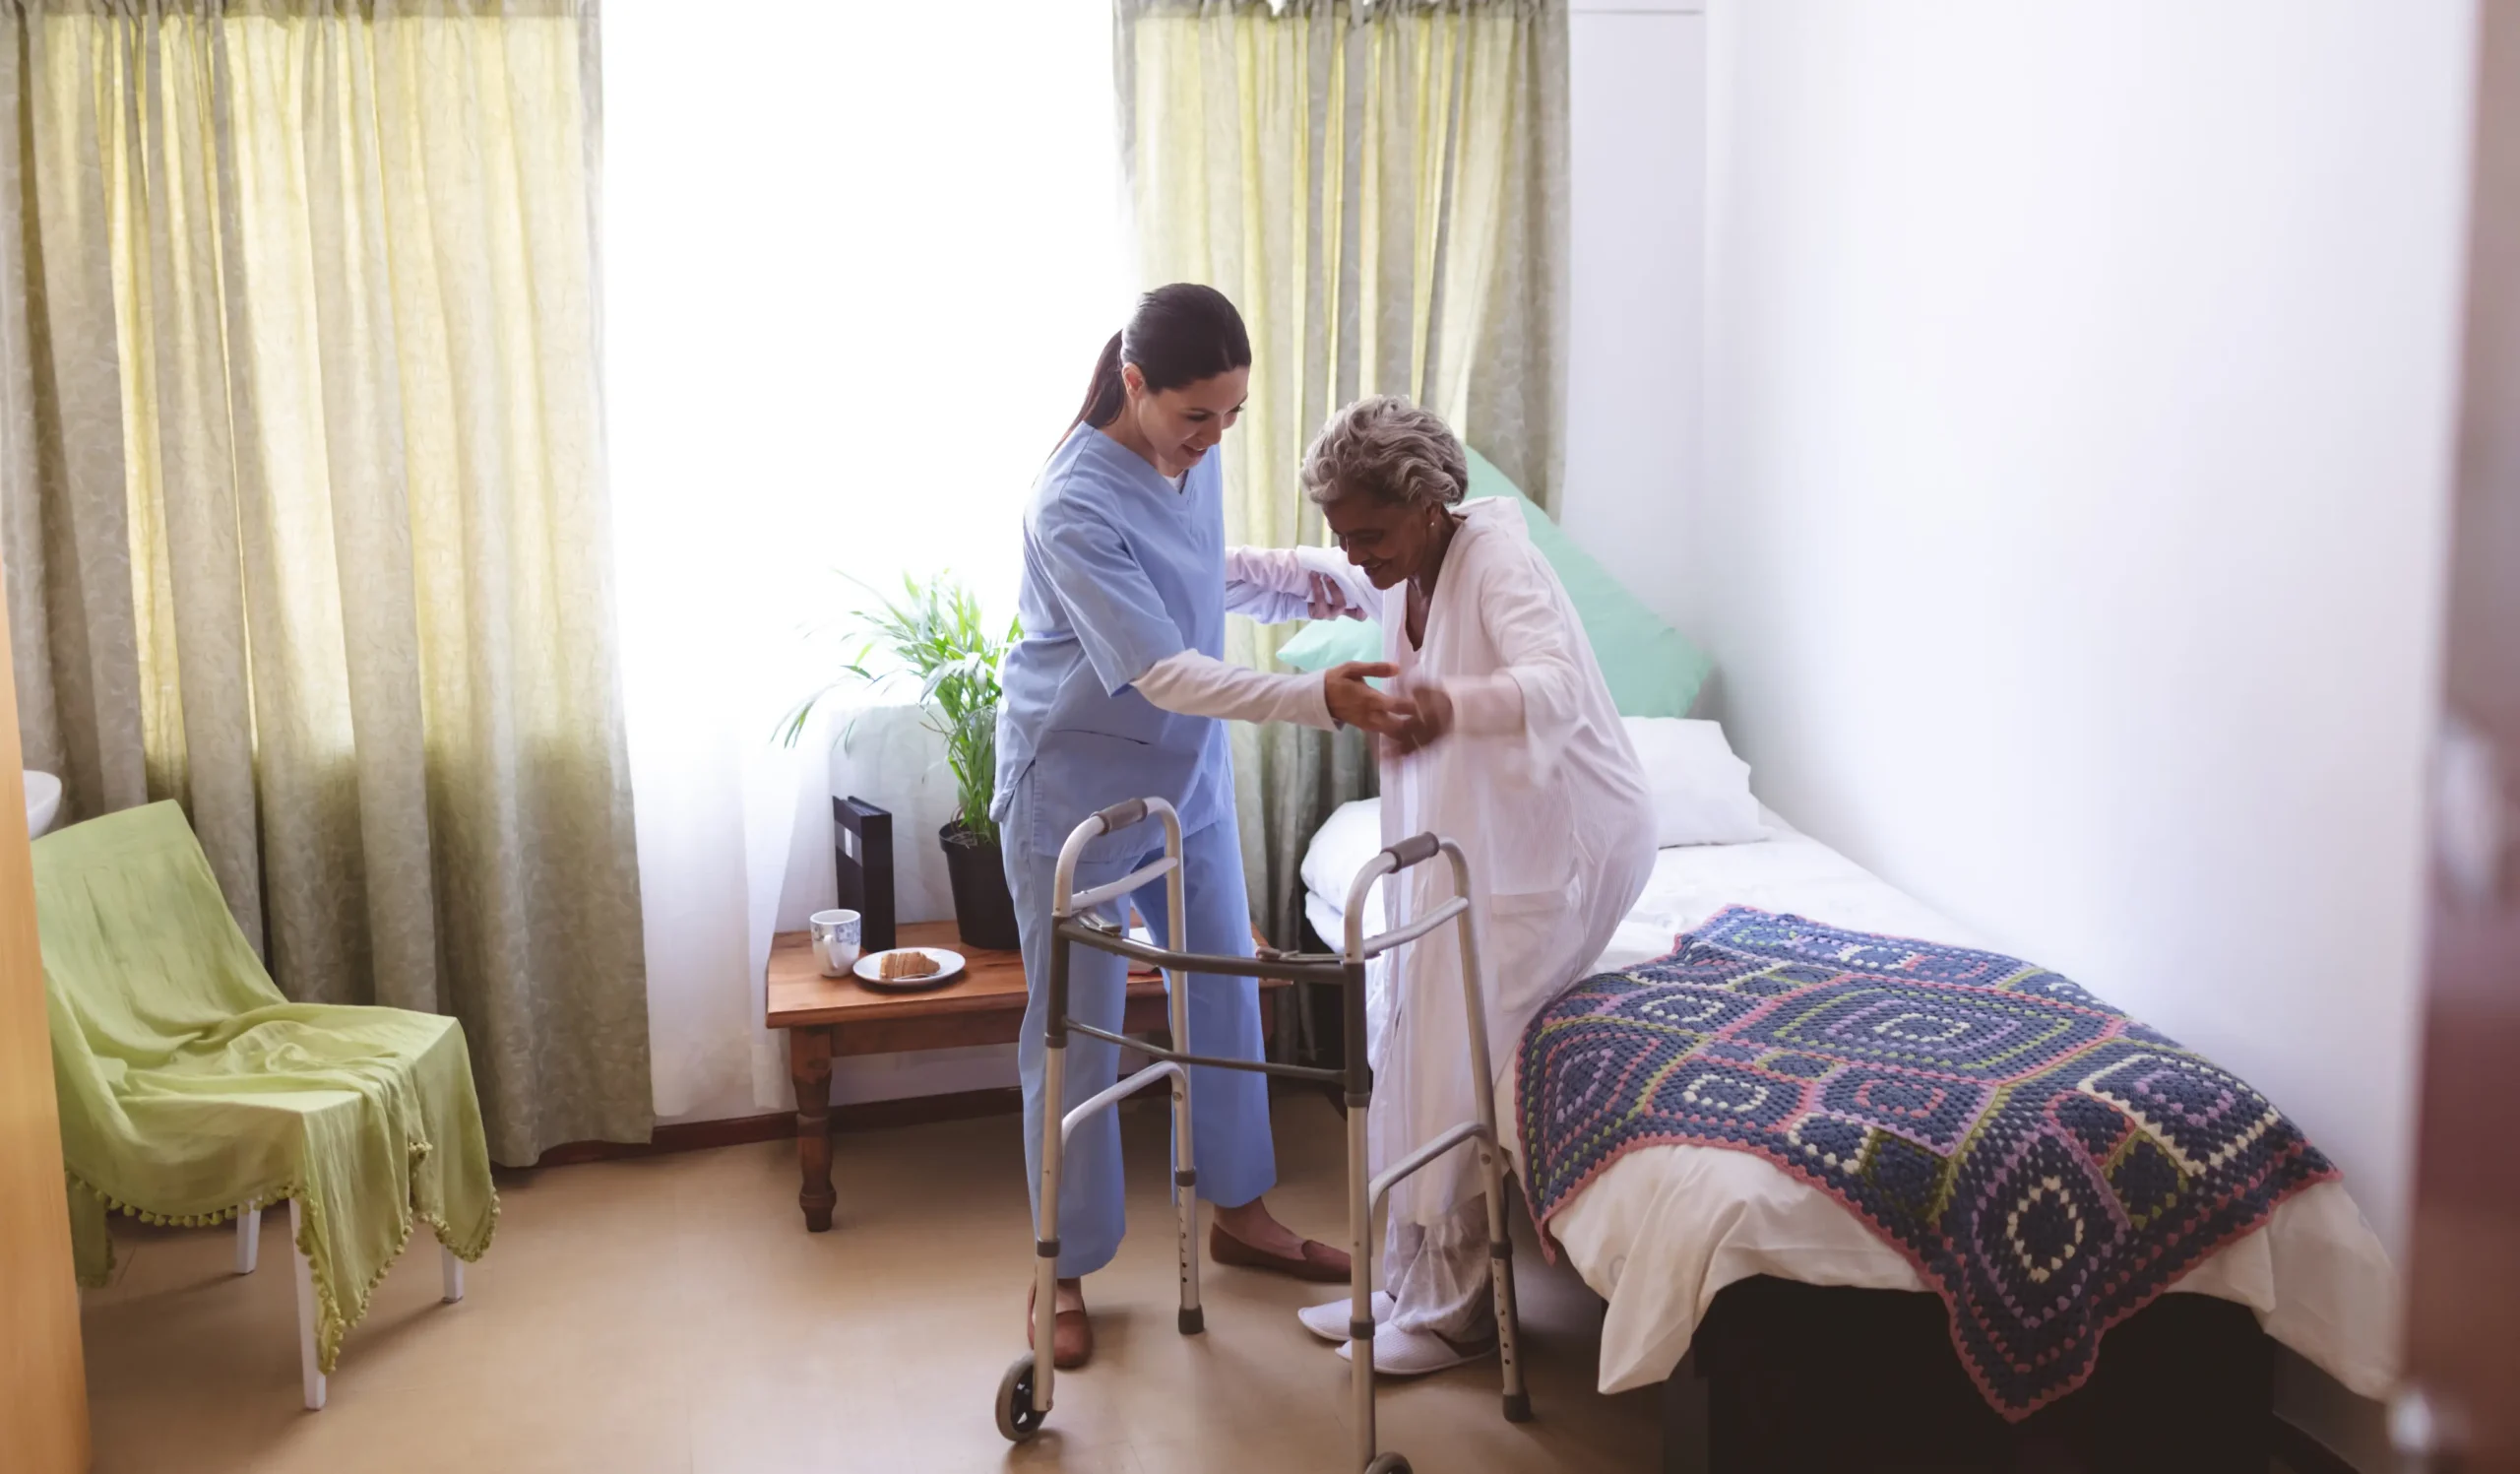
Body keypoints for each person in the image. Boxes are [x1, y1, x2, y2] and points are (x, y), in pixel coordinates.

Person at [996, 285, 1411, 1371]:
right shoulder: (1069, 503)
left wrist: (1294, 580)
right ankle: (1060, 1268)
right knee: (1075, 1032)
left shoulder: (1193, 448)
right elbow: (1162, 667)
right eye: (1197, 416)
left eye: (1233, 414)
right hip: (1075, 788)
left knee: (1226, 988)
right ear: (1134, 385)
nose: (1216, 435)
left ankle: (1241, 1213)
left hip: (1188, 782)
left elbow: (1191, 575)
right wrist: (1317, 699)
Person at [1224, 396, 1656, 1375]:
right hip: (1480, 838)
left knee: (1459, 1055)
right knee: (1405, 1031)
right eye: (1346, 535)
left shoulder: (1497, 561)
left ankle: (1459, 1315)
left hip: (1568, 844)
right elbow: (1308, 577)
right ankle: (1404, 1287)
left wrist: (1442, 701)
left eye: (1370, 534)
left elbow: (1548, 683)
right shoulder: (1396, 564)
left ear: (1428, 505)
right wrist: (1188, 562)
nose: (1358, 554)